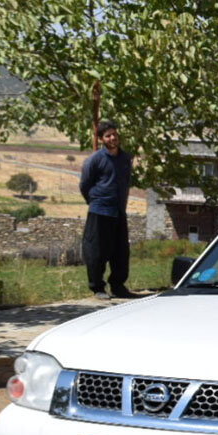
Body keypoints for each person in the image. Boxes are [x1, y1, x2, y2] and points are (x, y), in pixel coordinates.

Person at [79, 120, 137, 300]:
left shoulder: (125, 158)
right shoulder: (95, 160)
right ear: (102, 139)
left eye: (114, 134)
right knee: (97, 251)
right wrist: (96, 202)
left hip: (118, 211)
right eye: (108, 135)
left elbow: (126, 183)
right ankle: (97, 287)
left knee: (120, 251)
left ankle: (118, 287)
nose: (112, 138)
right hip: (100, 211)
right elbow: (85, 185)